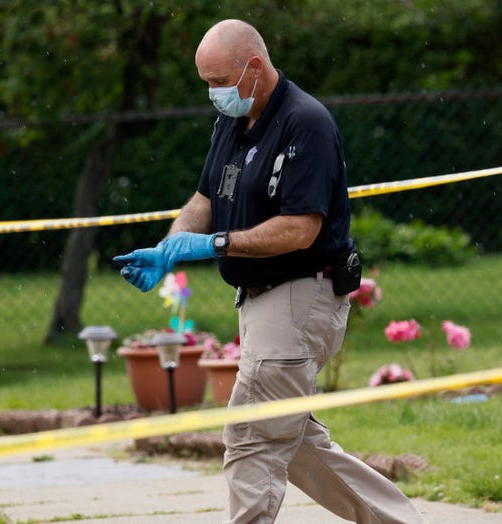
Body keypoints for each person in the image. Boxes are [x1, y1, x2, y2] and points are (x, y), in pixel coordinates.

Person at [114, 19, 425, 524]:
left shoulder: (307, 123)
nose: (213, 94)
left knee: (251, 439)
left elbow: (300, 229)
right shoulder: (230, 124)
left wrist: (215, 243)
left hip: (300, 295)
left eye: (218, 81)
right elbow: (204, 198)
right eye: (206, 83)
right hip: (260, 302)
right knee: (296, 442)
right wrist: (168, 247)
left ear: (254, 67)